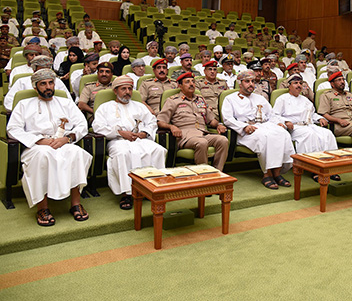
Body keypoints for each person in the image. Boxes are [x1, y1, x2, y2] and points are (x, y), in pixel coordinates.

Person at [6, 69, 92, 226]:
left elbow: (82, 125)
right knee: (43, 156)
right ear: (35, 87)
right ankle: (42, 207)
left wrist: (67, 139)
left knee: (77, 153)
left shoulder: (65, 103)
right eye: (43, 84)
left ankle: (75, 204)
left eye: (51, 83)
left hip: (63, 143)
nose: (48, 87)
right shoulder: (24, 104)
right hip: (36, 147)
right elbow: (13, 129)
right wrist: (38, 140)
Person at [92, 75, 167, 209]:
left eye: (130, 89)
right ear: (115, 91)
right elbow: (98, 126)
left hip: (140, 139)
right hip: (117, 140)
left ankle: (154, 188)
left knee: (158, 150)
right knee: (123, 154)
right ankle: (126, 194)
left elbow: (152, 122)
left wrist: (144, 133)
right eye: (123, 89)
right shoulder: (105, 107)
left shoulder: (139, 106)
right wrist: (120, 133)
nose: (127, 92)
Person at [222, 70, 294, 190]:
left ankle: (277, 172)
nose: (251, 84)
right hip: (245, 131)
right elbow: (227, 119)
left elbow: (271, 114)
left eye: (253, 81)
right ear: (240, 83)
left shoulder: (259, 98)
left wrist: (278, 123)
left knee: (283, 133)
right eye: (247, 81)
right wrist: (243, 127)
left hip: (264, 125)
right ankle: (267, 174)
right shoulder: (230, 99)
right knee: (265, 138)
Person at [273, 74, 340, 181]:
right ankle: (314, 169)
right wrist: (285, 121)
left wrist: (320, 119)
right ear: (289, 86)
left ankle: (329, 167)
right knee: (310, 135)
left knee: (327, 134)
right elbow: (275, 115)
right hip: (294, 127)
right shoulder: (282, 99)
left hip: (309, 124)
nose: (298, 85)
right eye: (295, 83)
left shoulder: (305, 99)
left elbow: (312, 114)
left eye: (300, 83)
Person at [158, 72, 229, 170]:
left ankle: (217, 171)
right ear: (180, 86)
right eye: (187, 82)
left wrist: (218, 125)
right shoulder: (173, 101)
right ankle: (204, 173)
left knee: (223, 140)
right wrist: (172, 127)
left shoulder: (200, 99)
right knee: (202, 143)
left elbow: (211, 120)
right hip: (185, 136)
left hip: (202, 133)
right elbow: (160, 121)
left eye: (193, 82)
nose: (191, 84)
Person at [5, 55, 71, 111]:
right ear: (34, 70)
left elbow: (69, 101)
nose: (45, 73)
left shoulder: (57, 81)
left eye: (47, 70)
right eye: (42, 70)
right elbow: (9, 102)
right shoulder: (22, 82)